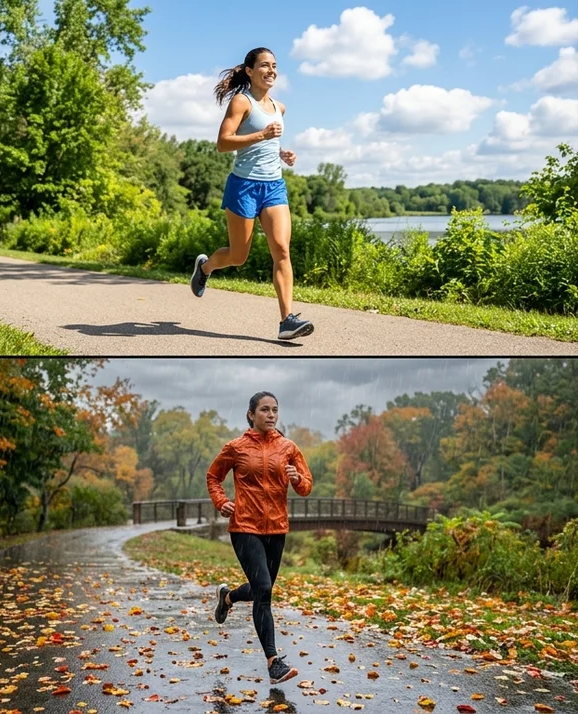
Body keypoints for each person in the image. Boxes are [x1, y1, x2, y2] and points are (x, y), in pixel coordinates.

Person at [190, 47, 314, 342]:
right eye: (264, 65)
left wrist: (282, 153)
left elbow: (268, 143)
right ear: (249, 71)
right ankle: (205, 267)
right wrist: (261, 135)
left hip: (274, 186)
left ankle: (287, 320)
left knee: (282, 250)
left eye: (274, 66)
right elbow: (223, 143)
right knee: (238, 256)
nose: (271, 70)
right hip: (243, 186)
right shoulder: (241, 102)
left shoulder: (279, 107)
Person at [206, 391, 313, 685]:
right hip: (244, 527)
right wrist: (221, 501)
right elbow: (213, 477)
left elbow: (306, 487)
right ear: (251, 414)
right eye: (264, 410)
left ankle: (228, 597)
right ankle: (273, 662)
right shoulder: (236, 448)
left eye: (275, 410)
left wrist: (296, 479)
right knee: (264, 590)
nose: (271, 415)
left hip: (277, 529)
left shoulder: (289, 448)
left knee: (259, 590)